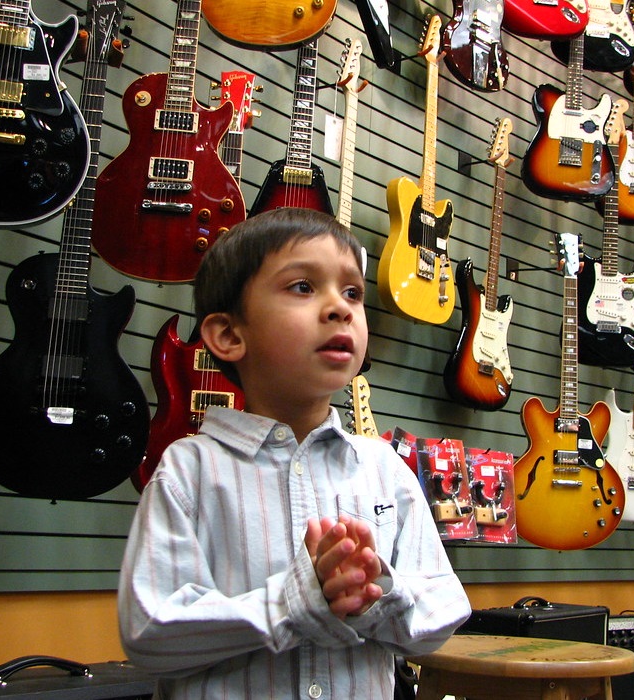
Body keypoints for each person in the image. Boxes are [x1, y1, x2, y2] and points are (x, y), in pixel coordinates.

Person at [118, 207, 471, 699]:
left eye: (352, 292)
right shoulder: (188, 470)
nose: (340, 308)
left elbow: (444, 612)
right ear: (228, 335)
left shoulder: (384, 468)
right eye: (303, 287)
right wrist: (295, 602)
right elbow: (150, 630)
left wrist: (372, 594)